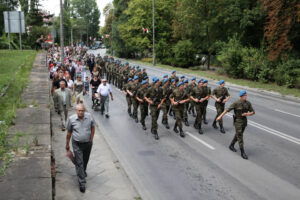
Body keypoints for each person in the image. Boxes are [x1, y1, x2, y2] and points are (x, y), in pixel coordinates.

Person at [217, 90, 255, 159]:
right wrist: (220, 116)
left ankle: (231, 145)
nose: (245, 96)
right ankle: (242, 152)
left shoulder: (248, 103)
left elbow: (253, 112)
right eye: (244, 95)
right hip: (238, 121)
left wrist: (247, 114)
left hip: (244, 121)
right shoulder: (236, 103)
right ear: (241, 96)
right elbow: (227, 110)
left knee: (238, 134)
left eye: (246, 95)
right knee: (240, 135)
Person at [66, 104, 95, 192]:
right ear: (76, 111)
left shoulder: (89, 117)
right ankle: (82, 183)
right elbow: (69, 133)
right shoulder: (71, 119)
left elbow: (93, 127)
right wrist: (67, 144)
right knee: (79, 162)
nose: (81, 112)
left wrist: (91, 139)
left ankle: (82, 171)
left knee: (85, 160)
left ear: (84, 111)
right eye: (79, 110)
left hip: (88, 143)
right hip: (77, 144)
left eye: (82, 110)